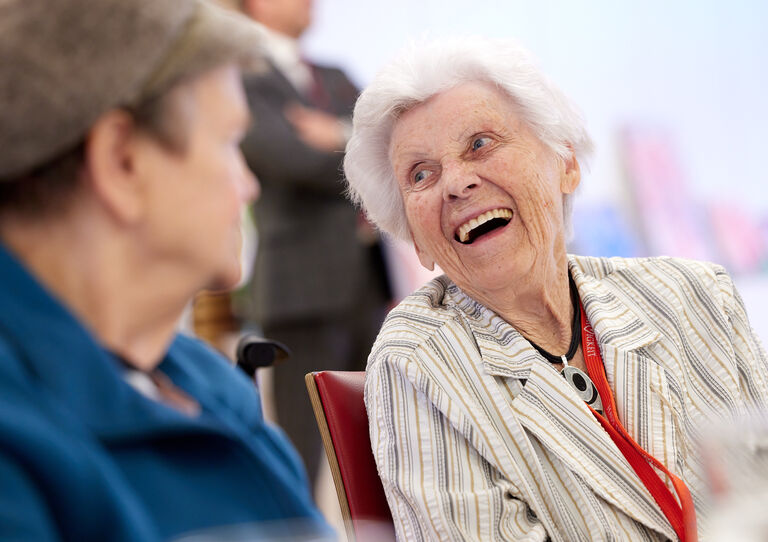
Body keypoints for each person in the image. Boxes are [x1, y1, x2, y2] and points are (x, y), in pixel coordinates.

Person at [344, 36, 768, 541]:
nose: (456, 183)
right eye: (421, 173)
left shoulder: (696, 294)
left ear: (565, 162)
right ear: (416, 239)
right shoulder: (418, 362)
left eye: (480, 143)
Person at [0, 1, 333, 540]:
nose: (247, 185)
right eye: (229, 143)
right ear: (122, 162)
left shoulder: (209, 384)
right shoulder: (18, 449)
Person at [237, 0, 391, 486]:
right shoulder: (239, 79)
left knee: (386, 445)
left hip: (365, 284)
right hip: (298, 289)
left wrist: (334, 136)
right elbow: (289, 161)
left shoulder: (335, 74)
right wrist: (354, 145)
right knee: (300, 454)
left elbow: (392, 143)